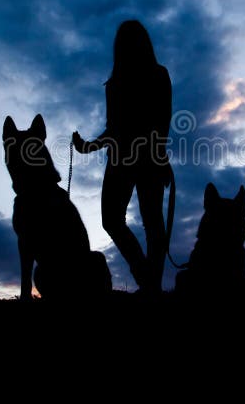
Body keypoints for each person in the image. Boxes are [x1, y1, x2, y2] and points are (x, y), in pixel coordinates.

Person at [73, 20, 172, 294]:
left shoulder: (148, 77)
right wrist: (89, 146)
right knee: (130, 221)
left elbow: (160, 122)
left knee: (144, 222)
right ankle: (148, 281)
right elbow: (118, 128)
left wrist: (89, 146)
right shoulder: (119, 83)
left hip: (135, 158)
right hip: (131, 159)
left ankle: (149, 284)